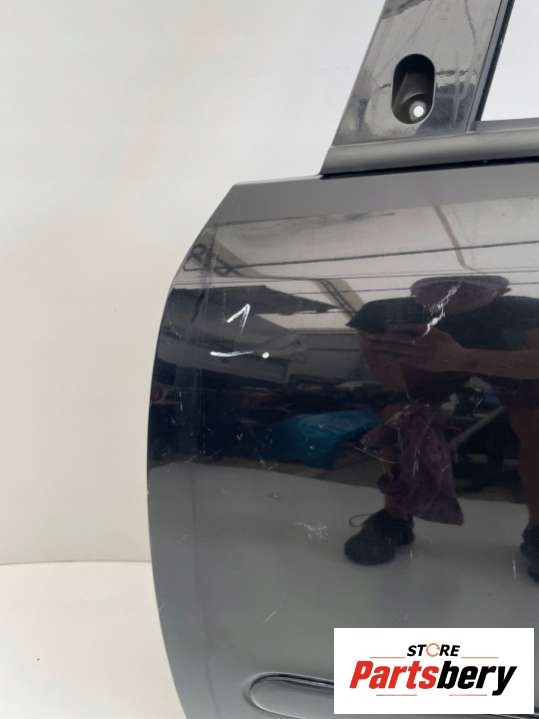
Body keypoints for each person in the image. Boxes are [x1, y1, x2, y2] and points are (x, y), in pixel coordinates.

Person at [345, 275, 539, 579]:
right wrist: (408, 403)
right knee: (400, 419)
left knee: (535, 425)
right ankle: (394, 519)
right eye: (439, 284)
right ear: (415, 290)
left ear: (503, 290)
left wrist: (465, 359)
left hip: (507, 361)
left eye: (473, 285)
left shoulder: (526, 311)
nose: (454, 290)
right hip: (429, 359)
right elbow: (386, 372)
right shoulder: (384, 313)